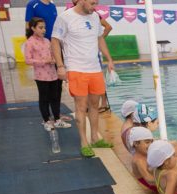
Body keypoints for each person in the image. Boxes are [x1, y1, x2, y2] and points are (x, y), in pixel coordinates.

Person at [51, 0, 114, 157]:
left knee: (95, 105)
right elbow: (55, 41)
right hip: (76, 69)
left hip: (95, 69)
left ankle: (94, 138)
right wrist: (60, 66)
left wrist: (109, 59)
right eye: (92, 3)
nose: (95, 7)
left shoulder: (94, 17)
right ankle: (84, 142)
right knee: (81, 107)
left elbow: (99, 38)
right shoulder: (65, 17)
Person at [24, 17, 71, 131]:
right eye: (40, 27)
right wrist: (44, 61)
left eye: (44, 27)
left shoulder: (47, 40)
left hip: (53, 74)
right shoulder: (29, 42)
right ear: (33, 28)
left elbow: (54, 53)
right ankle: (46, 121)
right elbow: (28, 60)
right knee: (44, 99)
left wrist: (55, 59)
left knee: (55, 98)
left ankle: (57, 120)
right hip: (41, 76)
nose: (44, 30)